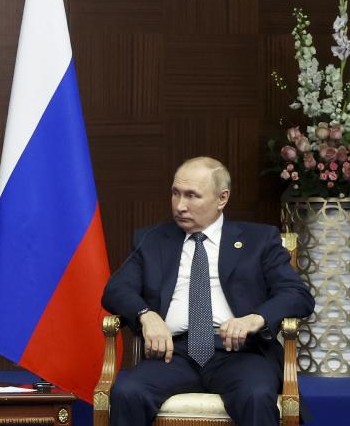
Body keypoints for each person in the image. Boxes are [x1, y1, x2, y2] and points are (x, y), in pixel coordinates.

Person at [102, 156, 314, 426]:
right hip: (173, 354)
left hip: (241, 354)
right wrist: (146, 315)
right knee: (128, 391)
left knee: (256, 394)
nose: (180, 205)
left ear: (222, 198)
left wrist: (255, 318)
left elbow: (297, 294)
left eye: (192, 196)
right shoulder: (154, 239)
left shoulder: (259, 240)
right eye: (176, 193)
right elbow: (115, 289)